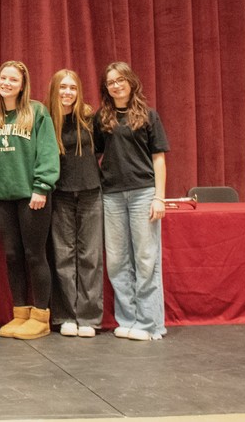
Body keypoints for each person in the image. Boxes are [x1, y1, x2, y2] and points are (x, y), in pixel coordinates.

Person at [0, 60, 59, 340]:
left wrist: (42, 186)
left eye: (13, 80)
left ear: (22, 85)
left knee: (35, 254)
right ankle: (20, 313)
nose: (7, 83)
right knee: (12, 256)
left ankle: (41, 317)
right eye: (3, 78)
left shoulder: (37, 112)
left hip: (31, 196)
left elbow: (48, 151)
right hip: (2, 196)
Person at [95, 61, 169, 342]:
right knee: (116, 261)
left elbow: (159, 158)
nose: (115, 85)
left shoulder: (149, 116)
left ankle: (150, 324)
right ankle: (128, 320)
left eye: (120, 80)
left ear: (131, 82)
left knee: (146, 259)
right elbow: (96, 155)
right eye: (110, 82)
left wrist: (159, 197)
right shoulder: (102, 118)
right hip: (112, 195)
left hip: (143, 193)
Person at [46, 69, 102, 338]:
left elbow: (103, 149)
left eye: (73, 88)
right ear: (54, 90)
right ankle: (67, 315)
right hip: (60, 195)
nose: (68, 92)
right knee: (63, 256)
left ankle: (89, 317)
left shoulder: (91, 119)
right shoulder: (46, 120)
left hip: (91, 193)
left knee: (90, 256)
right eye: (62, 87)